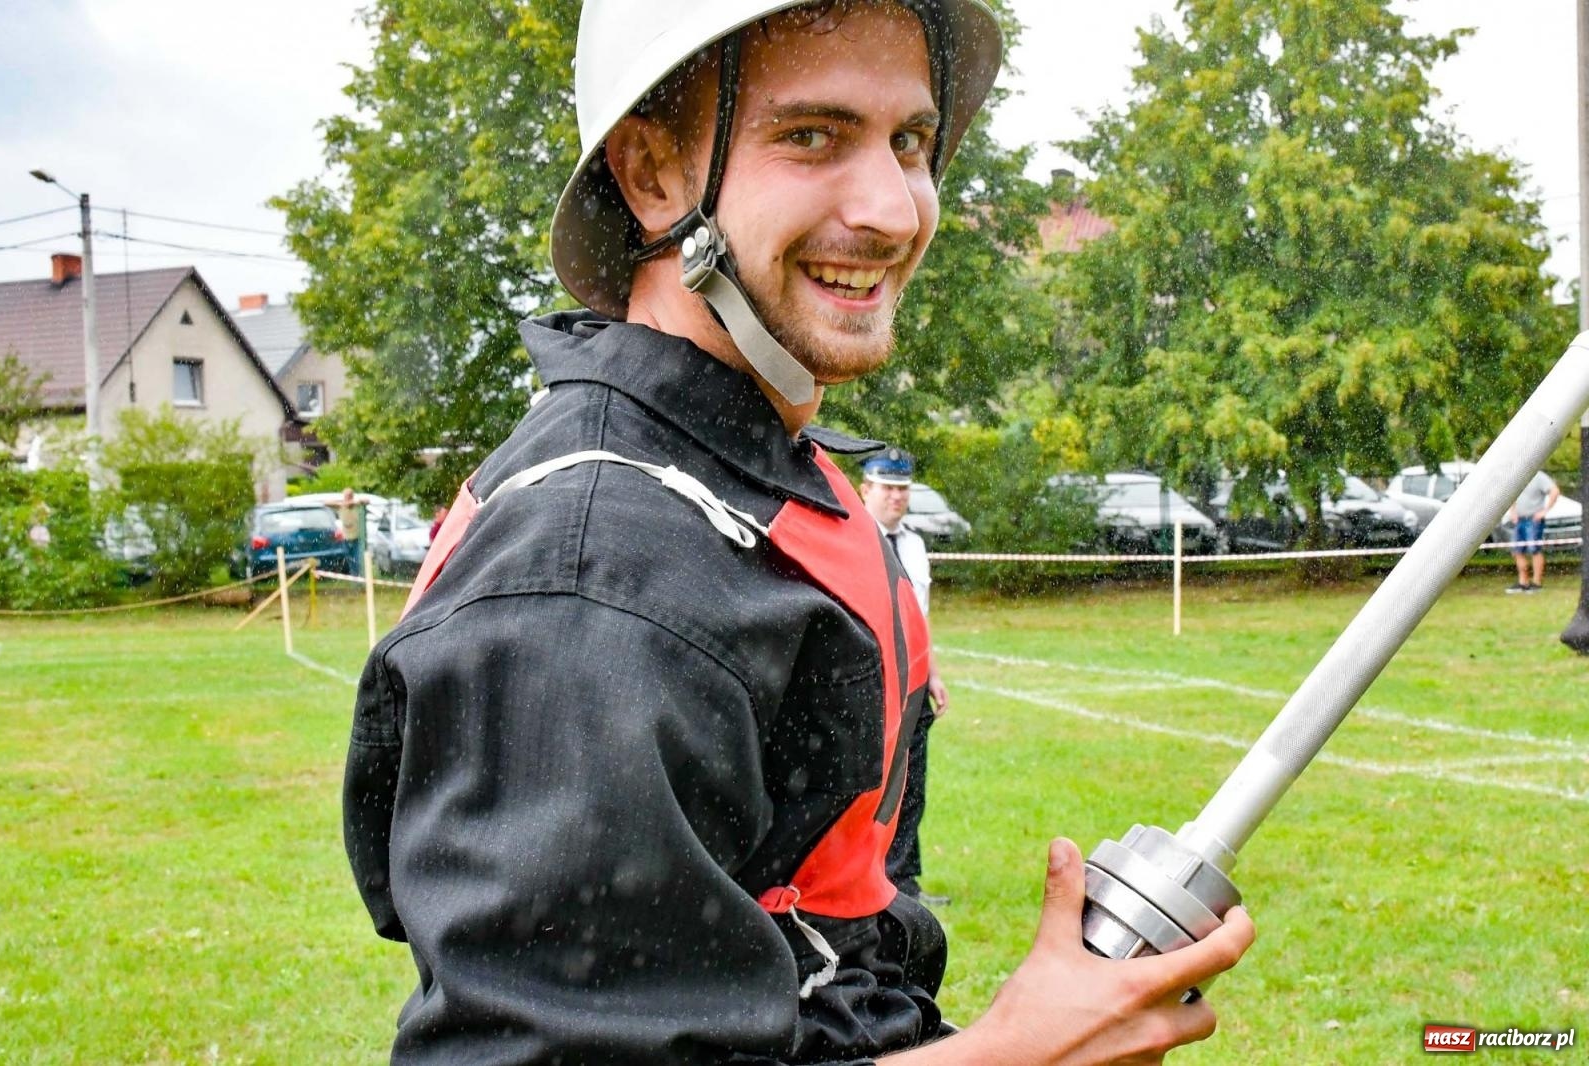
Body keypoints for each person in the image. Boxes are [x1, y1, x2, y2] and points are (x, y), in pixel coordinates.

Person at [342, 3, 1255, 1063]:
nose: (891, 210)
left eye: (909, 142)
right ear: (650, 175)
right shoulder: (591, 578)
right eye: (811, 136)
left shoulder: (754, 483)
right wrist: (1019, 1053)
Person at [859, 448, 950, 906]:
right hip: (872, 679)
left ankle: (904, 882)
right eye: (887, 487)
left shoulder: (913, 544)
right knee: (870, 784)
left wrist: (932, 674)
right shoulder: (854, 539)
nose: (896, 496)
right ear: (866, 489)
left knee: (911, 782)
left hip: (912, 679)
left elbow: (920, 615)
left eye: (902, 488)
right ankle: (865, 880)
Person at [1505, 470, 1560, 593]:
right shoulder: (1517, 476)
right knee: (1517, 551)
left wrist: (1545, 511)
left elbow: (1555, 491)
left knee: (1535, 550)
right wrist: (1512, 511)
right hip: (1519, 520)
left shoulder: (1539, 476)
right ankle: (1523, 582)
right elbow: (1512, 495)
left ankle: (1536, 583)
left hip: (1533, 520)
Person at [333, 487, 366, 575]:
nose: (347, 497)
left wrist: (352, 502)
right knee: (349, 560)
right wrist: (343, 503)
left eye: (349, 496)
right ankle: (354, 577)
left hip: (357, 538)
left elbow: (366, 501)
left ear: (352, 496)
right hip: (346, 538)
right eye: (346, 496)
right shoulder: (341, 506)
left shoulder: (357, 506)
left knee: (358, 559)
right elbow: (326, 503)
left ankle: (359, 576)